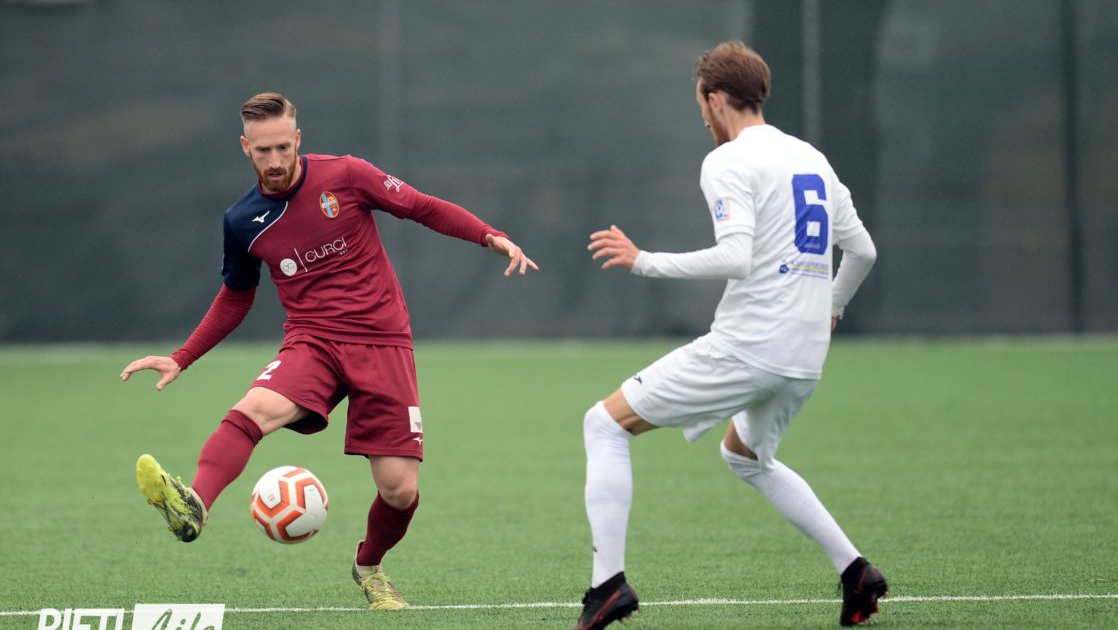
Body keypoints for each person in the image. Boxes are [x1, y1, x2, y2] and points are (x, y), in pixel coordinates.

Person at [120, 92, 537, 611]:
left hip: (383, 342)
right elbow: (236, 297)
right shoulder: (242, 219)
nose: (275, 160)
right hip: (312, 340)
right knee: (255, 409)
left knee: (400, 491)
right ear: (245, 148)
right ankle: (195, 505)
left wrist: (488, 235)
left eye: (283, 147)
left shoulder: (347, 175)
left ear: (297, 139)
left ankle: (369, 566)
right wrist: (182, 356)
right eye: (262, 151)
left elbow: (422, 207)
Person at [575, 41, 886, 629]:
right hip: (804, 356)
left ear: (715, 98)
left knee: (604, 424)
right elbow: (863, 250)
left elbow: (736, 257)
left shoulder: (728, 160)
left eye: (701, 103)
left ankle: (607, 585)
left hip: (750, 347)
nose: (702, 117)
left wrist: (644, 261)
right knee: (746, 456)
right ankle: (856, 572)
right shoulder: (811, 158)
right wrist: (832, 306)